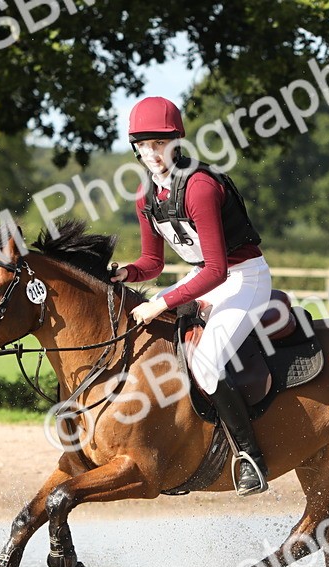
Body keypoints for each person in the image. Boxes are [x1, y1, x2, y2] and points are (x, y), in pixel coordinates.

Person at [110, 96, 272, 496]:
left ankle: (250, 457)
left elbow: (218, 269)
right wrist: (123, 273)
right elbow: (152, 262)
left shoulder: (198, 186)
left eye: (160, 143)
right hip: (203, 276)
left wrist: (160, 302)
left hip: (242, 278)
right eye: (144, 145)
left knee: (207, 362)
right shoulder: (146, 195)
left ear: (177, 140)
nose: (152, 153)